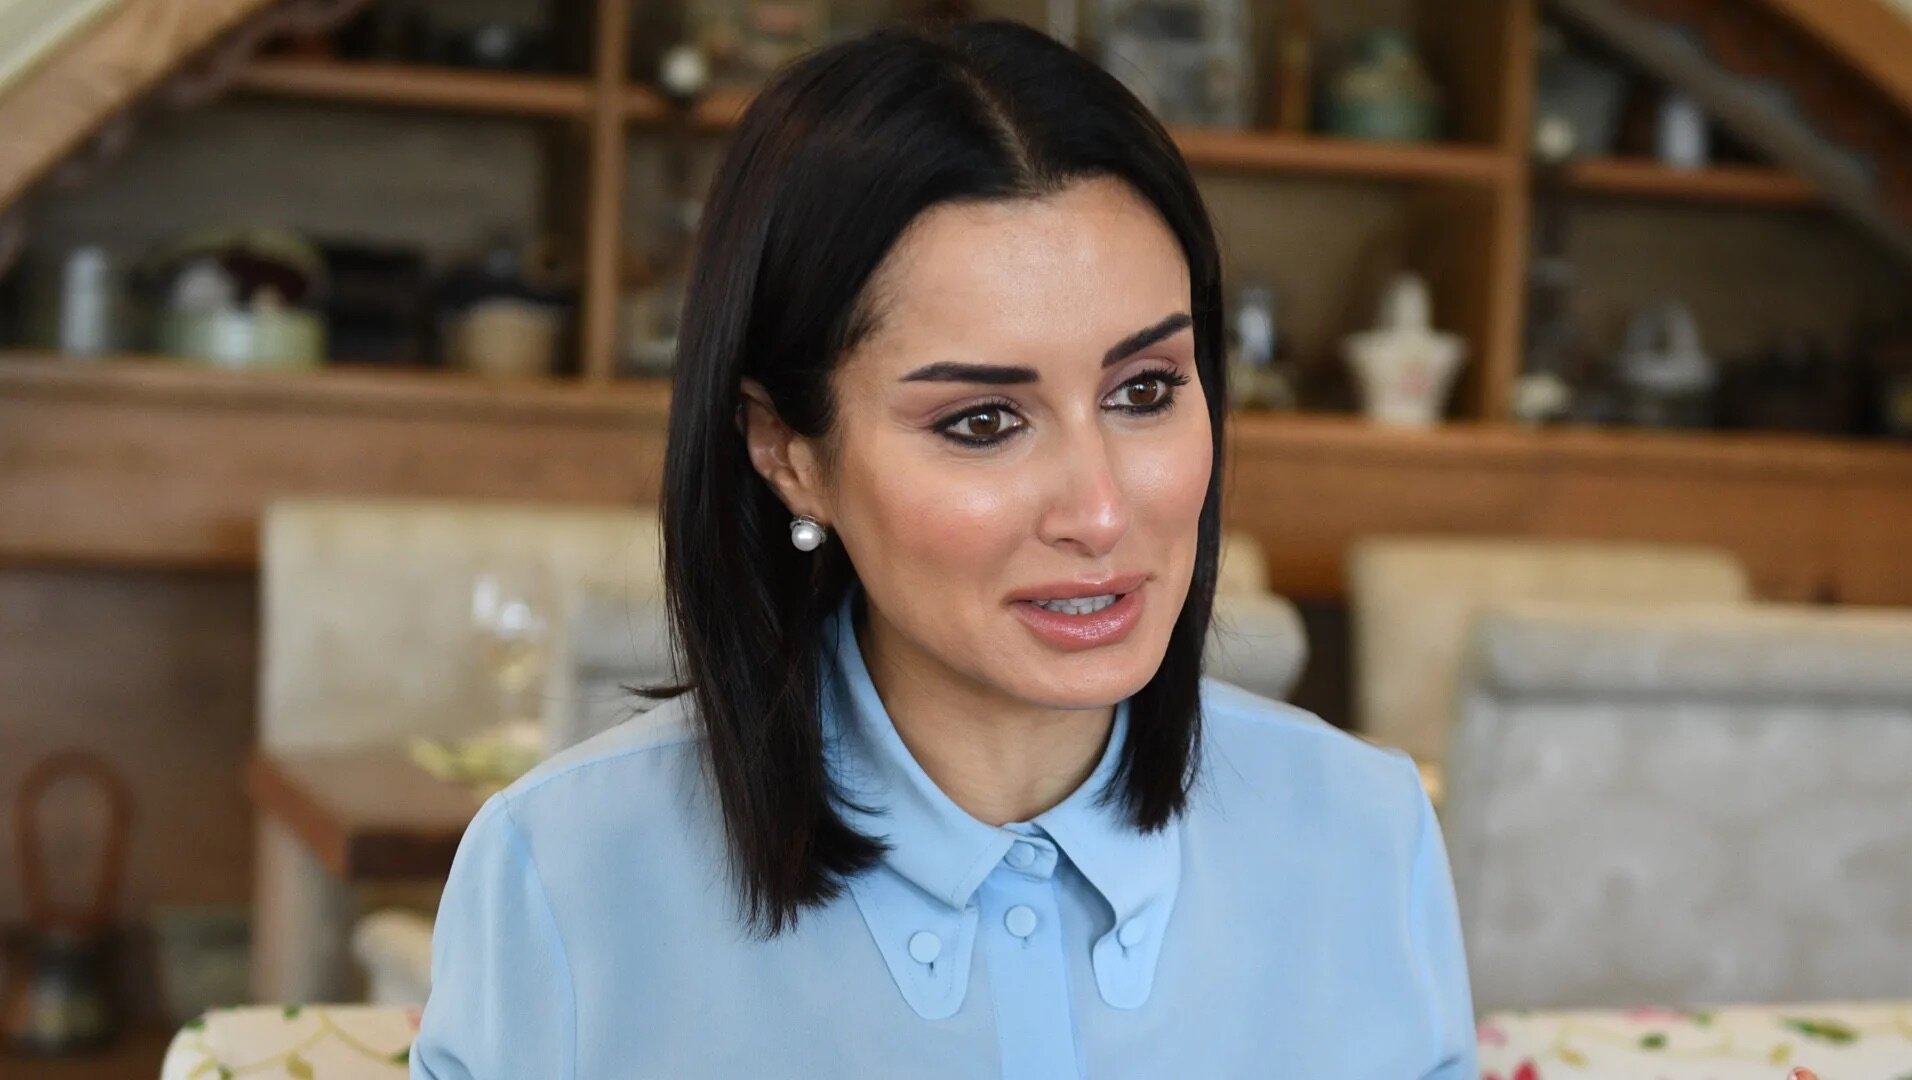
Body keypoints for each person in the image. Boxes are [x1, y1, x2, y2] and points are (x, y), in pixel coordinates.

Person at [412, 19, 1475, 1078]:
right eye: (983, 421)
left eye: (1145, 391)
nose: (1100, 511)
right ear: (788, 452)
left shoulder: (1368, 840)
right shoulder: (564, 881)